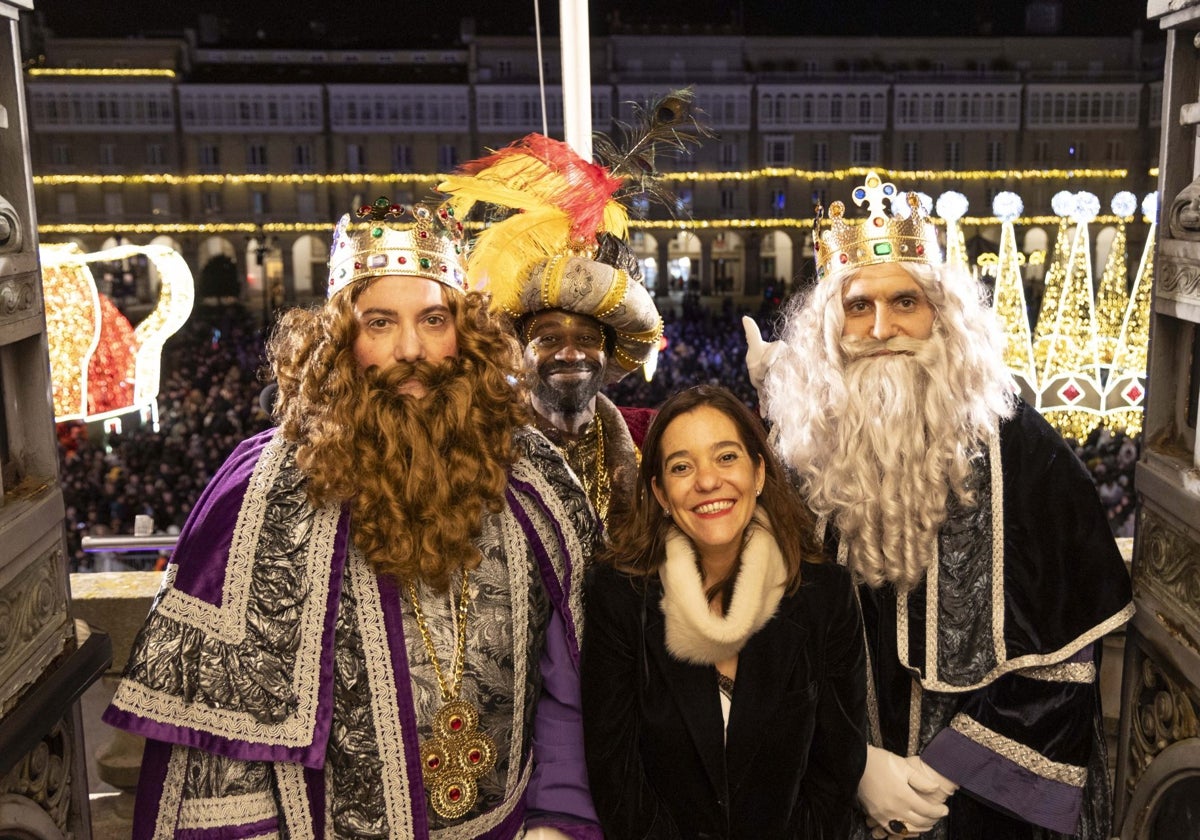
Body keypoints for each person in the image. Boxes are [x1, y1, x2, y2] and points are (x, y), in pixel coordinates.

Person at [103, 198, 602, 839]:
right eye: (379, 323)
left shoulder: (531, 473)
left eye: (433, 318)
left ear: (465, 332)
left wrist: (556, 821)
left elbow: (570, 681)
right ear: (342, 338)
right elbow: (221, 752)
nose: (410, 349)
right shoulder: (264, 493)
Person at [744, 172, 1134, 839]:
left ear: (944, 317)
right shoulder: (800, 456)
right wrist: (857, 762)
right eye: (858, 307)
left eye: (905, 302)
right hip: (838, 789)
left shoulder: (1022, 451)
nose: (881, 327)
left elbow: (1063, 658)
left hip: (976, 807)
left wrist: (942, 775)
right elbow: (772, 642)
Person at [580, 384, 868, 838]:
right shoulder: (618, 597)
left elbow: (837, 769)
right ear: (659, 492)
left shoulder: (823, 595)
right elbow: (615, 773)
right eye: (681, 466)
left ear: (757, 472)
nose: (707, 481)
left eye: (726, 457)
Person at [439, 134, 665, 531]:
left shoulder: (649, 443)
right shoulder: (475, 455)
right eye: (548, 339)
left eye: (588, 339)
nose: (571, 353)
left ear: (608, 352)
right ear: (519, 351)